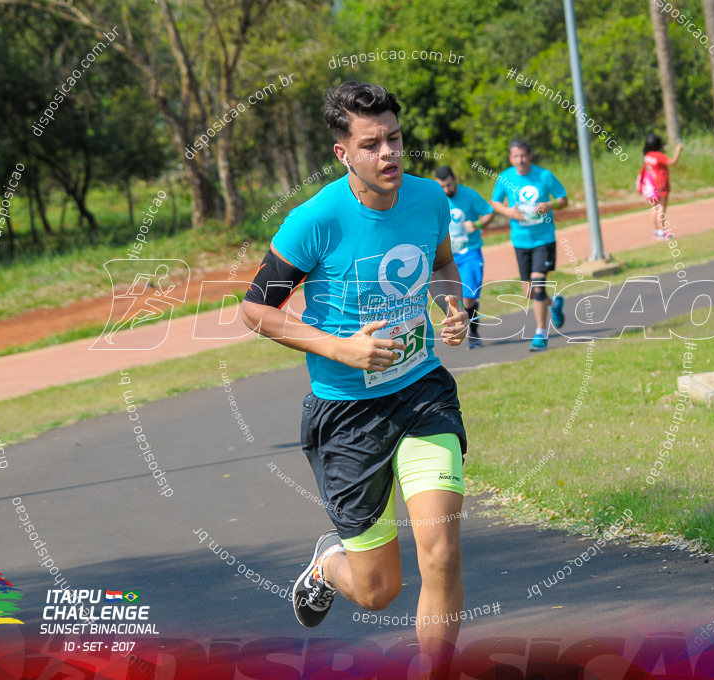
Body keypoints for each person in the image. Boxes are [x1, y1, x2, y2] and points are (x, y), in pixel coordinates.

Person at [241, 81, 469, 677]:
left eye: (394, 138)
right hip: (347, 415)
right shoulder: (313, 220)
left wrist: (453, 304)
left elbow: (442, 263)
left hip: (422, 393)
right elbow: (255, 310)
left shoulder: (428, 200)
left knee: (441, 553)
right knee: (378, 590)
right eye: (372, 144)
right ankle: (327, 565)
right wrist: (341, 349)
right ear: (344, 153)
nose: (389, 153)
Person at [489, 139, 568, 351]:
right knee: (529, 292)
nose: (520, 160)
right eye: (516, 156)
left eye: (523, 156)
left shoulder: (544, 176)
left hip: (543, 239)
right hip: (521, 241)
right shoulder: (505, 177)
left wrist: (549, 204)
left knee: (539, 285)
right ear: (510, 158)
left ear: (530, 156)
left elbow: (563, 199)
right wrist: (509, 212)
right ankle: (554, 304)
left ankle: (541, 333)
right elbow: (495, 202)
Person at [434, 166, 493, 349]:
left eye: (449, 185)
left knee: (468, 298)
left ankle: (473, 333)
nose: (446, 190)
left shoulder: (470, 195)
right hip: (447, 257)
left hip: (470, 253)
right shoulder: (436, 200)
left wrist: (476, 224)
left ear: (455, 179)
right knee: (452, 298)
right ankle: (459, 328)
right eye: (442, 186)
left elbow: (489, 212)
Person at [636, 133, 683, 240]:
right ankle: (662, 231)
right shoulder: (658, 155)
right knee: (662, 208)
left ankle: (657, 231)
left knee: (654, 208)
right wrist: (678, 150)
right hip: (661, 184)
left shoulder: (647, 156)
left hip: (651, 185)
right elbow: (673, 162)